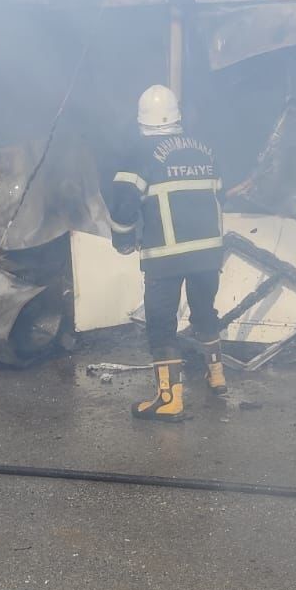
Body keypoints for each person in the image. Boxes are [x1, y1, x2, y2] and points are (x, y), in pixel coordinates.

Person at [110, 84, 226, 420]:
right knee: (204, 311)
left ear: (141, 120)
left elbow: (123, 204)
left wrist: (123, 240)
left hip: (165, 256)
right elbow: (220, 196)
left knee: (161, 323)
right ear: (177, 116)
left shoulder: (138, 155)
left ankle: (169, 399)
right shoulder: (205, 151)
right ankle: (217, 376)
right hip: (208, 253)